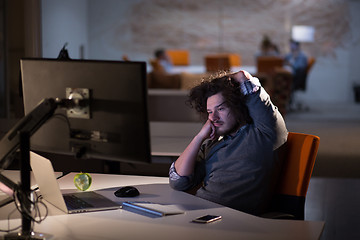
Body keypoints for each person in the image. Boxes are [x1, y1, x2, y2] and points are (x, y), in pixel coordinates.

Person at [169, 70, 288, 216]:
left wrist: (224, 82)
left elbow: (244, 78)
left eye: (221, 108)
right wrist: (199, 137)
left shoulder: (264, 133)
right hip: (199, 215)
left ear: (237, 106)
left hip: (234, 222)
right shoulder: (211, 145)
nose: (214, 118)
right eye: (209, 112)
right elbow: (178, 182)